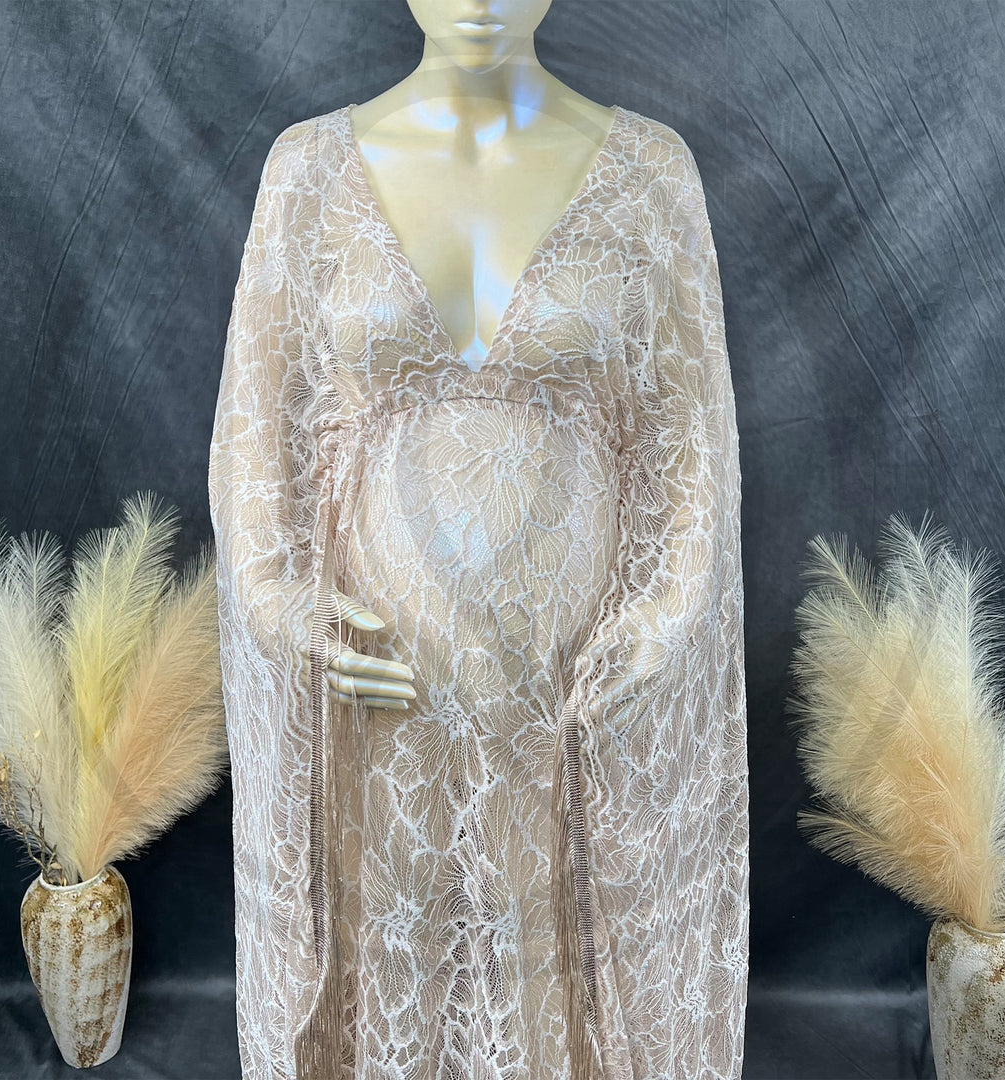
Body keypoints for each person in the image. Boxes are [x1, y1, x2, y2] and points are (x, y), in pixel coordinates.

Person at [208, 1, 749, 1076]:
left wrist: (662, 614)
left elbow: (692, 442)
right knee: (397, 961)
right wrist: (282, 607)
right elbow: (253, 438)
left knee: (551, 962)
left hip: (568, 697)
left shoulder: (651, 176)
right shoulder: (308, 175)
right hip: (382, 692)